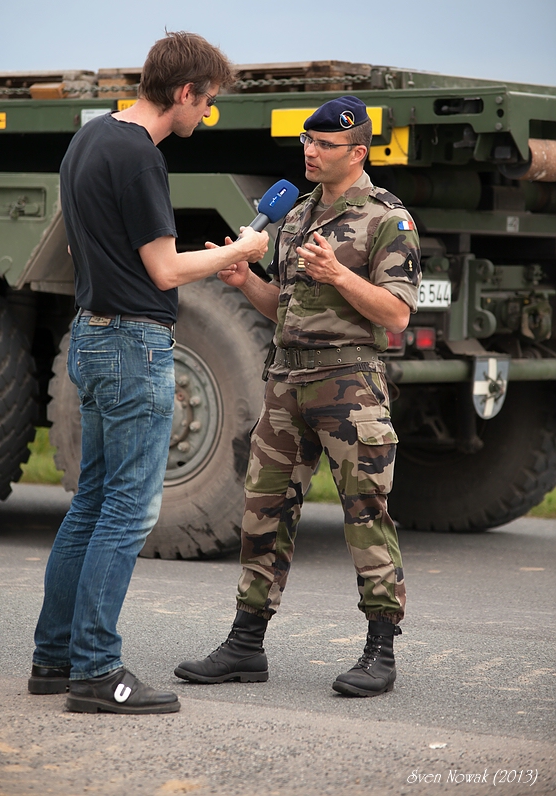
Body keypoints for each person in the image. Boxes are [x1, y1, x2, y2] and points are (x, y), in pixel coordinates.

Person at [28, 31, 269, 715]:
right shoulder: (140, 157)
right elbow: (164, 270)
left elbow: (82, 242)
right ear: (184, 92)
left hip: (93, 335)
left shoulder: (90, 139)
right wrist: (246, 248)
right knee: (128, 512)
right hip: (134, 344)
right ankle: (97, 671)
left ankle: (54, 658)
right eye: (208, 102)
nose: (207, 115)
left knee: (91, 503)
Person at [174, 95, 421, 697]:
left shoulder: (389, 220)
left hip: (349, 385)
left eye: (324, 145)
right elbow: (281, 306)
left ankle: (380, 651)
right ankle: (244, 645)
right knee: (263, 513)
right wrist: (245, 282)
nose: (310, 152)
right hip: (286, 383)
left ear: (357, 152)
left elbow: (397, 315)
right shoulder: (295, 214)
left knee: (366, 513)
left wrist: (340, 274)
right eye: (306, 143)